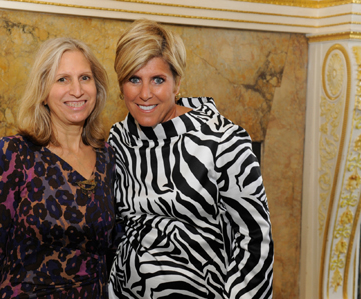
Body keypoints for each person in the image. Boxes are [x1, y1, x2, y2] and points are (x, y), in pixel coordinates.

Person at [108, 19, 274, 298]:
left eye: (158, 79)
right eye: (134, 79)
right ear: (121, 84)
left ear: (177, 82)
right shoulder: (119, 140)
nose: (145, 94)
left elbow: (255, 239)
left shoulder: (222, 141)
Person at [0, 37, 116, 298]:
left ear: (97, 87)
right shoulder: (13, 154)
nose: (77, 90)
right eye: (62, 79)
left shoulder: (107, 158)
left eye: (85, 78)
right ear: (43, 92)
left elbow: (107, 253)